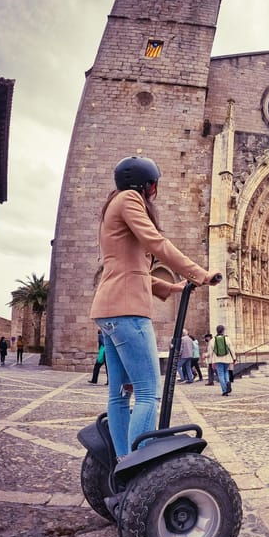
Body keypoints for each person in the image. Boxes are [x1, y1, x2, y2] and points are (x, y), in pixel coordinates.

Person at [90, 155, 221, 458]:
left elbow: (130, 269)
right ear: (146, 185)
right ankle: (141, 466)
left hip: (108, 311)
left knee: (120, 394)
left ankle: (123, 460)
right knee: (148, 393)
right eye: (154, 184)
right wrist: (198, 272)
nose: (155, 190)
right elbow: (156, 243)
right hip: (127, 311)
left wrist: (172, 287)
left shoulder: (114, 203)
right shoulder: (130, 199)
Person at [211, 325, 237, 396]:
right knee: (226, 372)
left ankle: (224, 390)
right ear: (223, 330)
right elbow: (231, 349)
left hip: (218, 359)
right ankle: (228, 382)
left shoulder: (213, 340)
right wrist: (234, 358)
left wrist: (212, 362)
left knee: (221, 375)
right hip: (227, 359)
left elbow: (211, 352)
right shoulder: (227, 338)